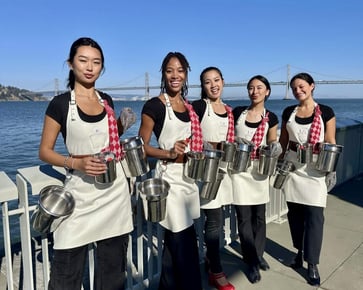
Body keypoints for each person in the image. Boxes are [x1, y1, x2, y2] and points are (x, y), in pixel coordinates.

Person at [39, 37, 135, 290]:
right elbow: (45, 152)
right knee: (65, 274)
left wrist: (122, 127)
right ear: (71, 64)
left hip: (114, 194)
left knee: (113, 275)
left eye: (96, 62)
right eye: (83, 60)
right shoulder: (59, 104)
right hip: (79, 196)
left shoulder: (107, 101)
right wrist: (75, 163)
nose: (90, 67)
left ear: (102, 67)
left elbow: (105, 142)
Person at [138, 52, 202, 290]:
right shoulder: (154, 105)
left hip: (188, 176)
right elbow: (140, 147)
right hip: (169, 179)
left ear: (186, 74)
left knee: (174, 243)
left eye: (180, 70)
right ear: (163, 74)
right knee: (184, 241)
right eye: (169, 70)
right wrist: (168, 153)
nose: (175, 75)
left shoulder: (189, 106)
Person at [279, 72, 336, 286]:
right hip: (294, 167)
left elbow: (330, 141)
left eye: (301, 86)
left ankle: (312, 263)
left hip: (316, 169)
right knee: (295, 215)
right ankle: (299, 251)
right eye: (294, 88)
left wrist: (331, 170)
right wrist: (277, 163)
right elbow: (284, 143)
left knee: (315, 216)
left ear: (311, 86)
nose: (297, 91)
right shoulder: (288, 112)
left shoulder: (326, 112)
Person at [231, 75, 279, 283]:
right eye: (251, 88)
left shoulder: (272, 117)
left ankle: (258, 255)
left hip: (259, 170)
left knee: (259, 216)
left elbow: (272, 139)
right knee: (243, 217)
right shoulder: (237, 112)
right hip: (240, 171)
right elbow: (227, 134)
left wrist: (275, 146)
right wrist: (234, 139)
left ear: (267, 91)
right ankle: (250, 261)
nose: (254, 91)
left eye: (259, 87)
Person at [191, 67, 235, 290]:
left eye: (216, 80)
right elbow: (186, 131)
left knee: (215, 220)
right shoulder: (199, 107)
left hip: (223, 171)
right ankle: (216, 271)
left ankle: (209, 259)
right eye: (207, 82)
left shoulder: (229, 110)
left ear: (223, 81)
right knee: (214, 220)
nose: (213, 85)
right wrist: (203, 145)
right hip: (205, 170)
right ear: (203, 86)